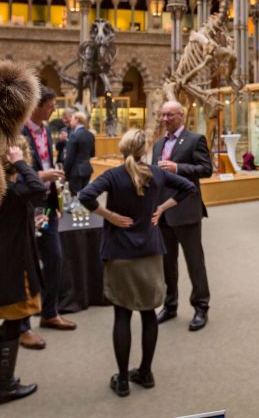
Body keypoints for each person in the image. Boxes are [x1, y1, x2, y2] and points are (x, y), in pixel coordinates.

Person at [78, 129, 196, 398]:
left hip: (120, 253)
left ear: (122, 148)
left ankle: (122, 379)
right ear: (145, 149)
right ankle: (146, 372)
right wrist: (162, 209)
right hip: (150, 251)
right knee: (148, 312)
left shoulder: (112, 175)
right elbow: (187, 187)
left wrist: (108, 215)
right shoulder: (157, 173)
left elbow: (85, 196)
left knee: (122, 314)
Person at [0, 140, 43, 405]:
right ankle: (6, 384)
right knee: (15, 320)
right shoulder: (9, 190)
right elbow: (37, 188)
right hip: (14, 262)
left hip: (9, 258)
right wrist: (20, 162)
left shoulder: (4, 187)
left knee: (13, 320)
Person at [152, 101, 213, 331]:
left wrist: (178, 168)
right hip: (163, 213)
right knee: (168, 263)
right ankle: (170, 304)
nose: (165, 118)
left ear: (181, 115)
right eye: (163, 114)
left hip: (187, 211)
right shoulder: (158, 144)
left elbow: (206, 169)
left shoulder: (194, 140)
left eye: (169, 115)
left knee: (194, 262)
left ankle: (201, 307)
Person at [21, 87, 73, 349]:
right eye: (51, 105)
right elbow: (7, 170)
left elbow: (46, 162)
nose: (54, 110)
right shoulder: (19, 132)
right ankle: (21, 326)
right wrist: (41, 177)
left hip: (47, 206)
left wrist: (56, 200)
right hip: (26, 206)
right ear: (37, 105)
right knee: (26, 265)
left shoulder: (46, 130)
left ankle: (50, 313)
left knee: (55, 257)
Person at [63, 111, 96, 194]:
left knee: (75, 198)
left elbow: (69, 157)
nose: (70, 123)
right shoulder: (90, 135)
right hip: (87, 170)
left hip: (75, 172)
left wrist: (64, 172)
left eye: (72, 120)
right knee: (84, 196)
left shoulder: (74, 135)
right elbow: (92, 154)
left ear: (77, 120)